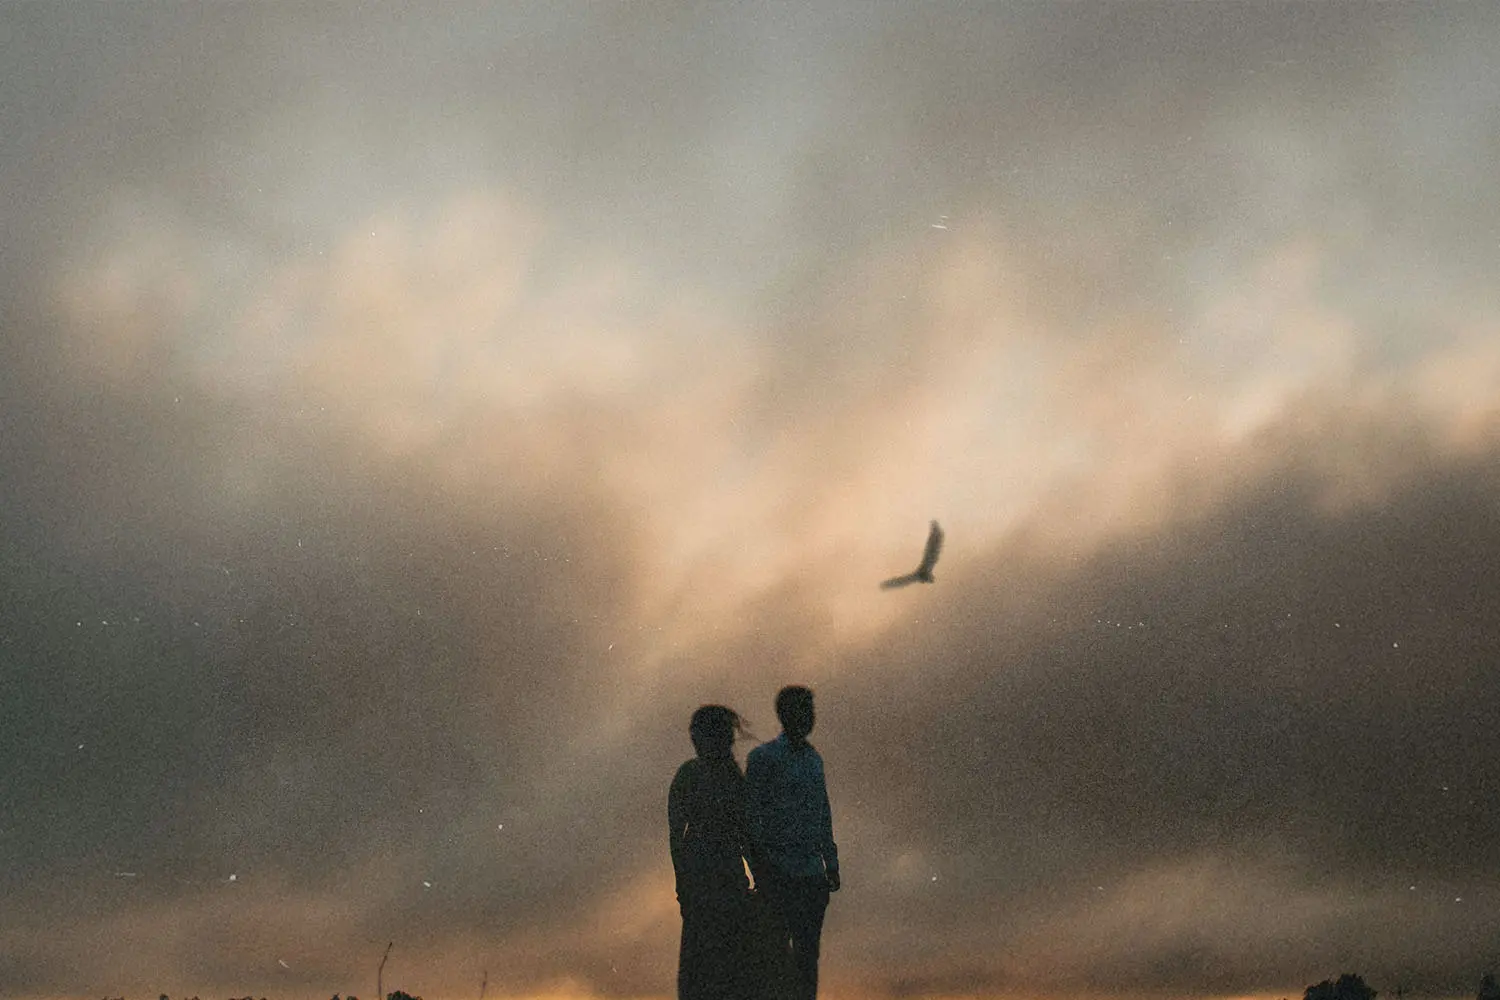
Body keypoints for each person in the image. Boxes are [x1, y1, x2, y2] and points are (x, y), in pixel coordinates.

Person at [746, 685, 839, 1000]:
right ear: (785, 715)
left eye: (811, 711)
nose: (809, 718)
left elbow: (822, 812)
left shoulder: (814, 760)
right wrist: (762, 870)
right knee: (775, 960)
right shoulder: (764, 758)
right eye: (803, 710)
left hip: (811, 876)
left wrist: (831, 863)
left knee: (807, 960)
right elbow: (752, 818)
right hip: (779, 874)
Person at [668, 704, 757, 1000]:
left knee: (704, 971)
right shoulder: (728, 778)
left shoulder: (694, 775)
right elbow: (747, 838)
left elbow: (677, 837)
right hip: (718, 882)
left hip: (711, 884)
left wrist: (683, 887)